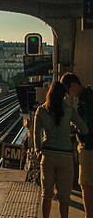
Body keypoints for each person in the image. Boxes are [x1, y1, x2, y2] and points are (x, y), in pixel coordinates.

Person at [34, 81, 88, 218]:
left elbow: (36, 135)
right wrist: (71, 129)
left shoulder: (41, 110)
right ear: (63, 95)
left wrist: (37, 151)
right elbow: (85, 129)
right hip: (65, 157)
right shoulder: (69, 110)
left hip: (47, 157)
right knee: (64, 197)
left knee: (46, 194)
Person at [61, 72, 93, 218]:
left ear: (73, 85)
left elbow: (87, 126)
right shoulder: (89, 95)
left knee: (85, 184)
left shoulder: (85, 101)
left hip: (88, 146)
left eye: (68, 91)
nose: (69, 95)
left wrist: (75, 129)